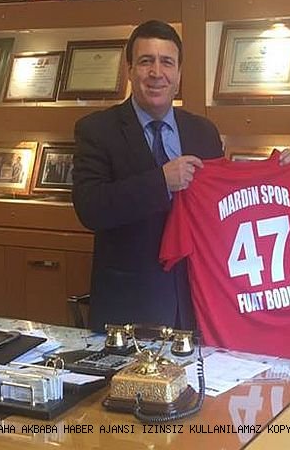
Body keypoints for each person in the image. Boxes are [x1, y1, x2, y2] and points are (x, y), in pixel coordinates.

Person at [72, 20, 225, 332]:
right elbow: (90, 207)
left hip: (197, 304)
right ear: (130, 70)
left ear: (179, 74)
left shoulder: (203, 131)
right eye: (146, 61)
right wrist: (161, 182)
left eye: (167, 62)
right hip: (130, 308)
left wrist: (277, 170)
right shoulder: (97, 130)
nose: (157, 72)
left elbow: (224, 204)